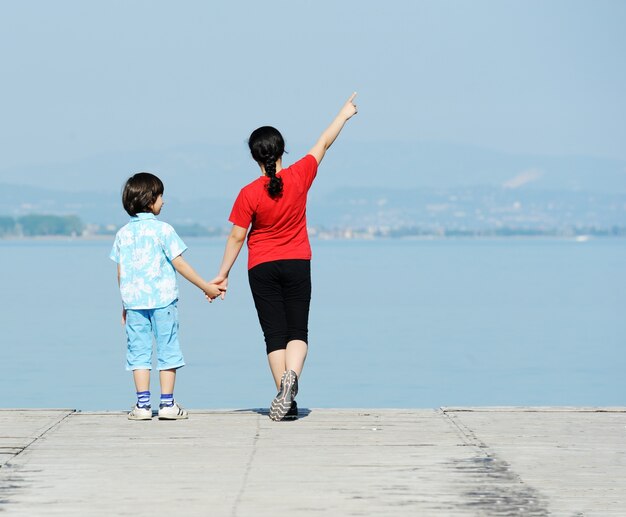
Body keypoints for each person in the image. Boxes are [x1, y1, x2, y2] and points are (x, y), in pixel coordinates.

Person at [210, 93, 358, 421]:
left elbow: (237, 235)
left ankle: (284, 398)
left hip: (260, 267)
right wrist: (344, 114)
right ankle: (291, 384)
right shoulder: (300, 175)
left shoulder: (248, 193)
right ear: (282, 151)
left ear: (254, 157)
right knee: (297, 333)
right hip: (296, 262)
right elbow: (323, 142)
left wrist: (223, 273)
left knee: (274, 335)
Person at [110, 172, 224, 421]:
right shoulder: (163, 230)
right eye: (161, 196)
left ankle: (142, 406)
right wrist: (205, 286)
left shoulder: (123, 234)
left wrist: (124, 305)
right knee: (167, 349)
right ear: (150, 200)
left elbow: (121, 272)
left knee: (138, 352)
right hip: (163, 301)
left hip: (134, 302)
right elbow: (180, 264)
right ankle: (167, 405)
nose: (164, 201)